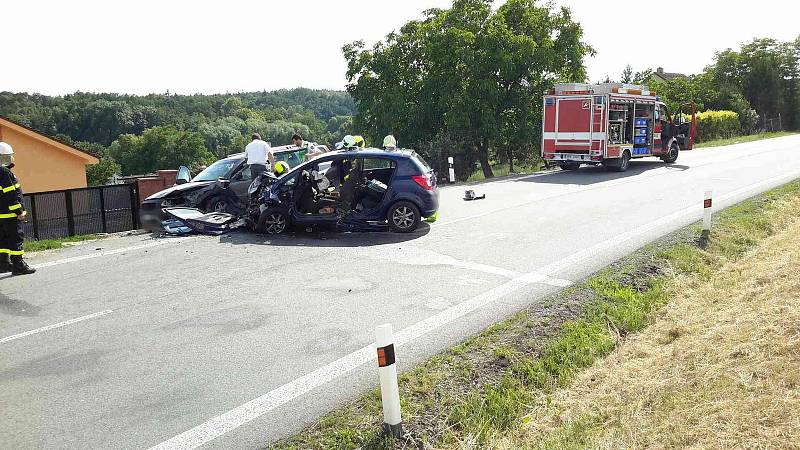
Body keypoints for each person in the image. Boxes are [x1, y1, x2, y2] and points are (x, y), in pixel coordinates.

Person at [0, 142, 35, 275]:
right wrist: (18, 211)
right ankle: (18, 265)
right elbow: (11, 194)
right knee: (15, 239)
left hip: (1, 215)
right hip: (10, 215)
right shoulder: (4, 172)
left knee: (2, 240)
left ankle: (3, 264)